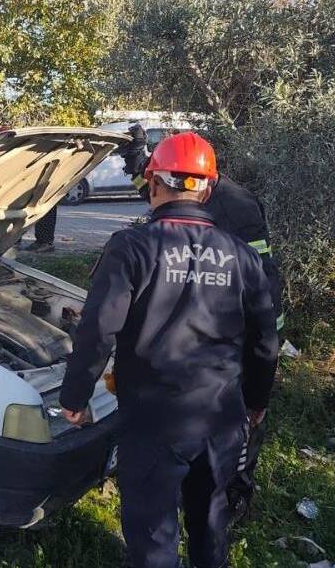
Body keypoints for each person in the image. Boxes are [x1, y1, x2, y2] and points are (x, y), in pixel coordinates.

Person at [59, 132, 279, 568]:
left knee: (152, 534)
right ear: (208, 189)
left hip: (152, 421)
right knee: (211, 522)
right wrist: (256, 402)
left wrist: (75, 397)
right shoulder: (242, 256)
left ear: (153, 181)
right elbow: (265, 342)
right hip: (220, 418)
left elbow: (98, 329)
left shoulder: (131, 248)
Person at [120, 124, 285, 523]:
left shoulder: (228, 206)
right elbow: (159, 191)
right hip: (252, 313)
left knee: (241, 420)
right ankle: (213, 498)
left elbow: (167, 206)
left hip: (244, 322)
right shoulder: (217, 192)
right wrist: (137, 160)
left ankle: (233, 497)